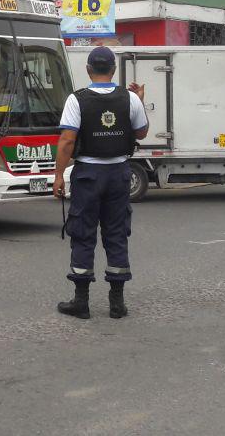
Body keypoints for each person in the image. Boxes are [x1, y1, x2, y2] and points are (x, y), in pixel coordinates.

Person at [53, 46, 148, 320]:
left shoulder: (76, 99)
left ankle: (81, 302)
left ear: (88, 70)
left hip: (88, 175)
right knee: (116, 233)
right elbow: (141, 131)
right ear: (114, 70)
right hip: (119, 173)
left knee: (83, 232)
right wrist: (139, 101)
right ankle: (116, 303)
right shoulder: (130, 98)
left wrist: (59, 175)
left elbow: (67, 140)